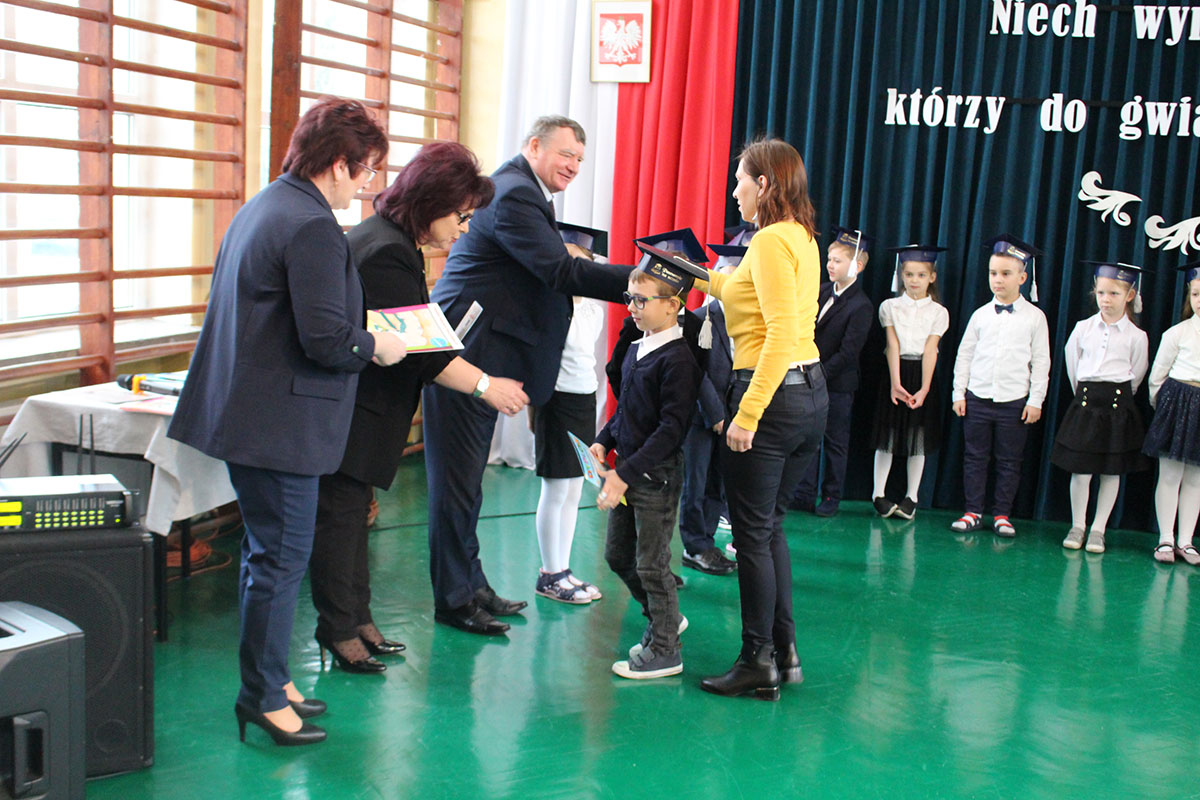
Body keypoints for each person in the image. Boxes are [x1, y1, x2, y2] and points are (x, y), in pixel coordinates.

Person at [168, 98, 406, 746]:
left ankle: (273, 679)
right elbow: (326, 338)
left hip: (252, 416)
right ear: (338, 163)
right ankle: (264, 697)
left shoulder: (266, 205)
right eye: (365, 170)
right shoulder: (310, 225)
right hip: (279, 427)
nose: (366, 185)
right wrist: (376, 346)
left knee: (266, 558)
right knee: (279, 561)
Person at [309, 142, 530, 672]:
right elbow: (420, 350)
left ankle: (358, 620)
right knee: (340, 525)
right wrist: (486, 385)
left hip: (361, 409)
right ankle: (338, 630)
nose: (464, 229)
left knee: (351, 521)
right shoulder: (387, 251)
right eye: (460, 216)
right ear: (432, 202)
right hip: (354, 411)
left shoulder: (388, 239)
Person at [423, 115, 631, 635]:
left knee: (467, 486)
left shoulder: (527, 191)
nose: (573, 166)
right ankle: (454, 599)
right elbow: (559, 271)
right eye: (566, 154)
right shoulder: (516, 192)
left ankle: (472, 586)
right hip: (465, 355)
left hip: (488, 357)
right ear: (534, 146)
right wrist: (640, 281)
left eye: (580, 159)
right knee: (456, 486)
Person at [698, 138, 827, 701]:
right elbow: (738, 288)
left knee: (751, 535)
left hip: (769, 398)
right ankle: (784, 650)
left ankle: (757, 661)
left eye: (741, 180)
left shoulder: (771, 240)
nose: (735, 191)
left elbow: (778, 333)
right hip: (809, 395)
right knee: (769, 526)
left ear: (764, 183)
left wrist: (746, 415)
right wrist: (690, 273)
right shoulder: (797, 235)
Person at [593, 243, 705, 679]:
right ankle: (665, 618)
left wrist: (623, 473)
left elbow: (670, 430)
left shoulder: (678, 359)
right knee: (618, 556)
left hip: (654, 476)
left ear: (673, 305)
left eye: (641, 301)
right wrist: (604, 439)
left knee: (652, 565)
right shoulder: (640, 345)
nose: (632, 308)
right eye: (630, 298)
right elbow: (628, 410)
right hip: (629, 471)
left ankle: (665, 650)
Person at [950, 235, 1051, 538]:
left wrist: (1036, 400)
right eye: (993, 273)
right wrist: (959, 393)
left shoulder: (1035, 318)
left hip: (1014, 402)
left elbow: (1041, 362)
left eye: (1006, 274)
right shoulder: (980, 315)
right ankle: (972, 511)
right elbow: (964, 355)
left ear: (1022, 278)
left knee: (1009, 461)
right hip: (977, 398)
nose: (998, 279)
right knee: (974, 458)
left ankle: (1002, 514)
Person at [531, 222, 609, 604]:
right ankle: (550, 573)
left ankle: (563, 569)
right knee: (556, 487)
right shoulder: (547, 307)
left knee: (575, 488)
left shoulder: (593, 310)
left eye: (580, 263)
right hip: (557, 401)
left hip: (584, 400)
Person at [1051, 261, 1149, 554]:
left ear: (1129, 295)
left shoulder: (1136, 336)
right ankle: (1078, 525)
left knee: (1110, 471)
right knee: (1081, 471)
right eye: (1101, 293)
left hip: (1118, 408)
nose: (1106, 300)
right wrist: (1086, 395)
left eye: (1114, 294)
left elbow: (1137, 374)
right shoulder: (1083, 329)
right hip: (1086, 405)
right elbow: (1072, 365)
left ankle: (1098, 529)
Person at [791, 226, 873, 517]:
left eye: (838, 261)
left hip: (836, 384)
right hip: (809, 379)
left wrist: (816, 373)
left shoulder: (861, 306)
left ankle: (831, 496)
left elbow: (848, 353)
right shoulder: (822, 291)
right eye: (829, 259)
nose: (830, 265)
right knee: (807, 440)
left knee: (835, 443)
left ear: (857, 266)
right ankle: (803, 493)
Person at [870, 245, 950, 519]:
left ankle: (911, 496)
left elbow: (931, 350)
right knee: (887, 436)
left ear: (932, 278)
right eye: (909, 274)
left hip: (922, 374)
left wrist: (925, 388)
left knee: (918, 437)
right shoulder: (889, 307)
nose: (914, 280)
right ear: (901, 276)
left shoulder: (939, 312)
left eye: (921, 275)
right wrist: (895, 382)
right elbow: (892, 345)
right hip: (894, 372)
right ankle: (878, 493)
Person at [679, 243, 741, 576]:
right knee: (697, 482)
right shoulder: (699, 318)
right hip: (703, 417)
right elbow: (696, 373)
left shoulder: (750, 320)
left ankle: (707, 541)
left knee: (719, 482)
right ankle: (693, 546)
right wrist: (715, 414)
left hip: (733, 418)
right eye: (726, 278)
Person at [1142, 261, 1200, 566]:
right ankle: (1165, 537)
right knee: (1170, 475)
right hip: (1177, 404)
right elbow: (1158, 375)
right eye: (1196, 294)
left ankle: (1186, 541)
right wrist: (1164, 408)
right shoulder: (1177, 333)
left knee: (1195, 479)